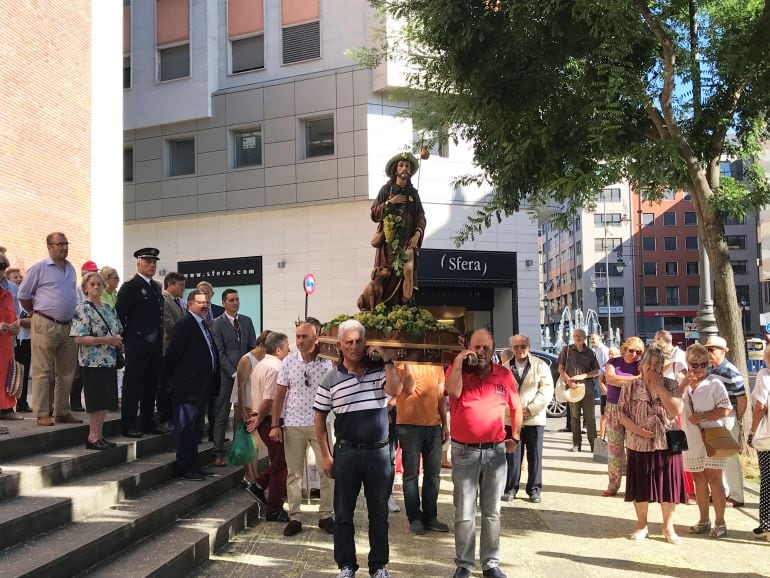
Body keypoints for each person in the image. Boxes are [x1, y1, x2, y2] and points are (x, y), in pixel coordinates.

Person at [313, 319, 403, 578]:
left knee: (379, 513)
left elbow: (396, 390)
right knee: (343, 514)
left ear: (366, 343)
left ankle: (378, 566)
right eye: (349, 342)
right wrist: (327, 456)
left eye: (359, 341)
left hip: (378, 453)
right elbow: (319, 418)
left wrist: (387, 360)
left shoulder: (379, 371)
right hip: (347, 454)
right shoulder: (330, 379)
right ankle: (346, 566)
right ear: (340, 346)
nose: (354, 346)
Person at [446, 329, 521, 578]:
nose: (481, 352)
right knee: (465, 512)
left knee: (492, 512)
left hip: (495, 452)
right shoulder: (456, 371)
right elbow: (453, 392)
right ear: (468, 347)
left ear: (493, 349)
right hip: (464, 452)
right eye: (476, 347)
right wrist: (458, 362)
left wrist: (516, 436)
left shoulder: (504, 374)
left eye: (486, 347)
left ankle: (490, 563)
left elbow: (516, 406)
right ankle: (464, 564)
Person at [269, 322, 334, 537]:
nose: (299, 340)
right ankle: (295, 517)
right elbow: (279, 395)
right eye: (297, 336)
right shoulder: (288, 362)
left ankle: (326, 516)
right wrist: (275, 424)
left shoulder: (327, 363)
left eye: (304, 336)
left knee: (328, 471)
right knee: (294, 474)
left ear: (316, 338)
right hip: (294, 423)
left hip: (321, 424)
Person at [618, 348, 686, 543]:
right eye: (649, 363)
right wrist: (637, 431)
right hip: (639, 443)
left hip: (667, 443)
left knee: (668, 488)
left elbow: (676, 411)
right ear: (641, 365)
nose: (653, 368)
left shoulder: (671, 384)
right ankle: (641, 525)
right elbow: (621, 414)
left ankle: (668, 527)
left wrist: (660, 387)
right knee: (641, 487)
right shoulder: (630, 386)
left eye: (657, 364)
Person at [17, 232, 82, 426]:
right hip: (45, 322)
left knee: (67, 372)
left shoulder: (71, 269)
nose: (64, 247)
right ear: (50, 247)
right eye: (60, 244)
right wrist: (35, 312)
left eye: (66, 243)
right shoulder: (39, 268)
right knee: (43, 370)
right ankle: (42, 413)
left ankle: (62, 411)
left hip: (68, 325)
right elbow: (23, 294)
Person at [164, 289, 220, 480]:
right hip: (187, 387)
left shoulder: (204, 325)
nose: (205, 306)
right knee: (186, 428)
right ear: (190, 305)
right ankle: (184, 466)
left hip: (202, 387)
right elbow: (172, 355)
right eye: (200, 302)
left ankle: (194, 465)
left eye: (207, 302)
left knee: (196, 429)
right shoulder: (185, 324)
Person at [680, 343, 732, 538]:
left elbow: (725, 409)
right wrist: (684, 383)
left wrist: (702, 417)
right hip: (692, 438)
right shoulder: (683, 383)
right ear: (687, 363)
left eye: (703, 364)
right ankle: (703, 520)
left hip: (712, 437)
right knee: (698, 479)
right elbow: (672, 401)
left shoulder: (714, 383)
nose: (699, 368)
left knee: (714, 478)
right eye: (695, 364)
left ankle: (720, 522)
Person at [394, 352, 450, 533]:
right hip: (408, 426)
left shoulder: (436, 364)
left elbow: (441, 397)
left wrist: (445, 424)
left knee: (433, 475)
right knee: (411, 475)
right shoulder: (400, 364)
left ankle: (430, 516)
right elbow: (409, 388)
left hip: (433, 426)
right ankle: (414, 517)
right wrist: (408, 361)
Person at [70, 272, 123, 450]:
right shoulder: (82, 309)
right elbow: (78, 338)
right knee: (95, 400)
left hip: (108, 360)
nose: (96, 287)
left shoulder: (109, 308)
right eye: (92, 284)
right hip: (91, 361)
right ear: (85, 287)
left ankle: (100, 435)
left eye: (100, 284)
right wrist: (106, 340)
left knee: (106, 400)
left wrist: (117, 341)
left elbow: (118, 329)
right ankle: (92, 436)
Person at [116, 248, 166, 438]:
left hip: (154, 344)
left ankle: (147, 421)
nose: (152, 265)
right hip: (137, 343)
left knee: (151, 384)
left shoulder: (155, 286)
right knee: (133, 384)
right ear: (138, 263)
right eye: (147, 262)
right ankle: (128, 423)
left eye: (154, 262)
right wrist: (125, 339)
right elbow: (119, 314)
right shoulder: (131, 286)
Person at [368, 152, 426, 306]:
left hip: (407, 242)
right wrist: (390, 202)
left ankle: (405, 307)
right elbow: (374, 213)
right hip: (388, 245)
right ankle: (382, 307)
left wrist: (417, 235)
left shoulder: (413, 193)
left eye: (407, 166)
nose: (404, 168)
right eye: (401, 165)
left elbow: (421, 216)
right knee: (386, 276)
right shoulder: (386, 190)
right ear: (396, 170)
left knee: (407, 273)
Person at [502, 334, 553, 504]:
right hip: (511, 419)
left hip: (534, 418)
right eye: (516, 347)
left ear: (529, 347)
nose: (520, 350)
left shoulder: (540, 365)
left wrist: (530, 409)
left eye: (523, 346)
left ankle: (534, 489)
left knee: (535, 455)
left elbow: (546, 391)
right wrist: (513, 410)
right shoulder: (504, 368)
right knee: (512, 455)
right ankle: (510, 488)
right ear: (511, 349)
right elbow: (500, 392)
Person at [245, 331, 291, 521]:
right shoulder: (275, 368)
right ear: (279, 349)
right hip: (272, 420)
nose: (290, 350)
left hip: (266, 418)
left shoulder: (263, 364)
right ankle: (273, 509)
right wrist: (262, 418)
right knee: (280, 466)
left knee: (279, 463)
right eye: (287, 347)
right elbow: (269, 399)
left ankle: (259, 485)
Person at [211, 289, 257, 466]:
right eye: (231, 300)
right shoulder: (217, 323)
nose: (235, 303)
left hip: (246, 376)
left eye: (237, 299)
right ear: (224, 303)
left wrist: (248, 371)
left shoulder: (246, 320)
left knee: (245, 412)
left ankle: (243, 451)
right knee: (222, 415)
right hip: (226, 377)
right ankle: (218, 452)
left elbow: (253, 346)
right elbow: (219, 352)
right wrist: (233, 372)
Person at [703, 335, 746, 508]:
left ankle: (736, 495)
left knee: (729, 456)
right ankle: (723, 491)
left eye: (712, 349)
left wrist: (738, 418)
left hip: (727, 416)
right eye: (707, 349)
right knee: (715, 455)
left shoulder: (730, 370)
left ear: (723, 351)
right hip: (714, 417)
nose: (708, 353)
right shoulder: (710, 370)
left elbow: (742, 399)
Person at [602, 336, 643, 497]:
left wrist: (622, 381)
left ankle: (635, 486)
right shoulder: (613, 362)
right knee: (614, 448)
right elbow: (610, 379)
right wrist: (635, 379)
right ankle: (613, 484)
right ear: (624, 349)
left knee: (634, 448)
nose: (634, 354)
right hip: (614, 407)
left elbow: (644, 381)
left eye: (638, 351)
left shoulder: (641, 364)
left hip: (634, 408)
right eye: (631, 350)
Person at [234, 330, 271, 487]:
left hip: (258, 406)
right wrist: (242, 409)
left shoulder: (267, 359)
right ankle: (248, 475)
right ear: (261, 344)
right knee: (247, 444)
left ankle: (254, 477)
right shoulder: (247, 359)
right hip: (247, 405)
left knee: (255, 445)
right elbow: (241, 386)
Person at [557, 329, 600, 452]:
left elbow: (596, 371)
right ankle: (576, 445)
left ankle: (594, 446)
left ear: (584, 337)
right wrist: (568, 381)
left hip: (587, 390)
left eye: (580, 335)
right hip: (572, 389)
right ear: (573, 337)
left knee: (590, 419)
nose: (578, 337)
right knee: (574, 418)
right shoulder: (567, 350)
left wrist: (584, 376)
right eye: (576, 335)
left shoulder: (590, 352)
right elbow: (561, 368)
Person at [160, 272, 187, 429]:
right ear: (170, 284)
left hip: (178, 350)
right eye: (180, 285)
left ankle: (173, 415)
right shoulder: (164, 300)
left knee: (174, 384)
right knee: (165, 384)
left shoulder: (178, 302)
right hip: (168, 348)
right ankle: (165, 416)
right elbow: (169, 324)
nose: (183, 289)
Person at [749, 346, 770, 540]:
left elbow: (760, 407)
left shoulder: (765, 374)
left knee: (768, 481)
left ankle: (767, 524)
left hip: (767, 437)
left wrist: (752, 430)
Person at [5, 266, 31, 413]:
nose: (19, 279)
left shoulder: (23, 296)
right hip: (14, 338)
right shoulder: (9, 293)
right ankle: (8, 404)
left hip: (26, 338)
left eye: (19, 276)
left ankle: (22, 402)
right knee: (10, 372)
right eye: (15, 277)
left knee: (23, 371)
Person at [0, 254, 21, 431]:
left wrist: (15, 326)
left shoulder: (6, 291)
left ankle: (5, 410)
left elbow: (12, 314)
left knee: (3, 380)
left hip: (5, 343)